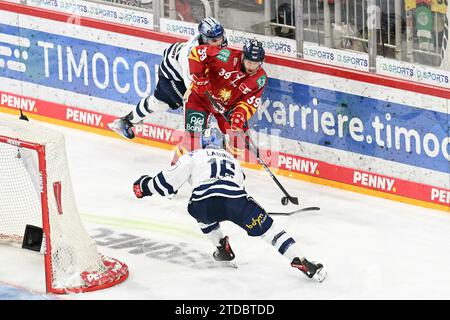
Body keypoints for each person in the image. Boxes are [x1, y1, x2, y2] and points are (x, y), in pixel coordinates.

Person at [132, 127, 327, 282]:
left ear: (204, 143)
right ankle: (303, 262)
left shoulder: (193, 155)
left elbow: (168, 183)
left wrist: (144, 186)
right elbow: (240, 184)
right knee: (271, 231)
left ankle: (222, 248)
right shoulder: (234, 161)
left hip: (202, 205)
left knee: (203, 215)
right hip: (236, 204)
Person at [108, 17, 228, 139]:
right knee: (195, 105)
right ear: (205, 39)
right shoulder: (191, 55)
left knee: (158, 103)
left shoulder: (216, 43)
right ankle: (197, 139)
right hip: (173, 77)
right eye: (214, 40)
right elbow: (193, 89)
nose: (220, 42)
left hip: (176, 59)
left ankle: (126, 122)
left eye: (221, 37)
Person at [171, 38, 268, 164]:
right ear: (243, 56)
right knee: (192, 141)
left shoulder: (260, 78)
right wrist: (199, 77)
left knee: (237, 140)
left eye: (256, 63)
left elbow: (249, 102)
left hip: (227, 108)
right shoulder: (225, 56)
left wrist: (240, 115)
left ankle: (229, 169)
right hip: (200, 99)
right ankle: (173, 170)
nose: (252, 66)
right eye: (250, 62)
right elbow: (196, 53)